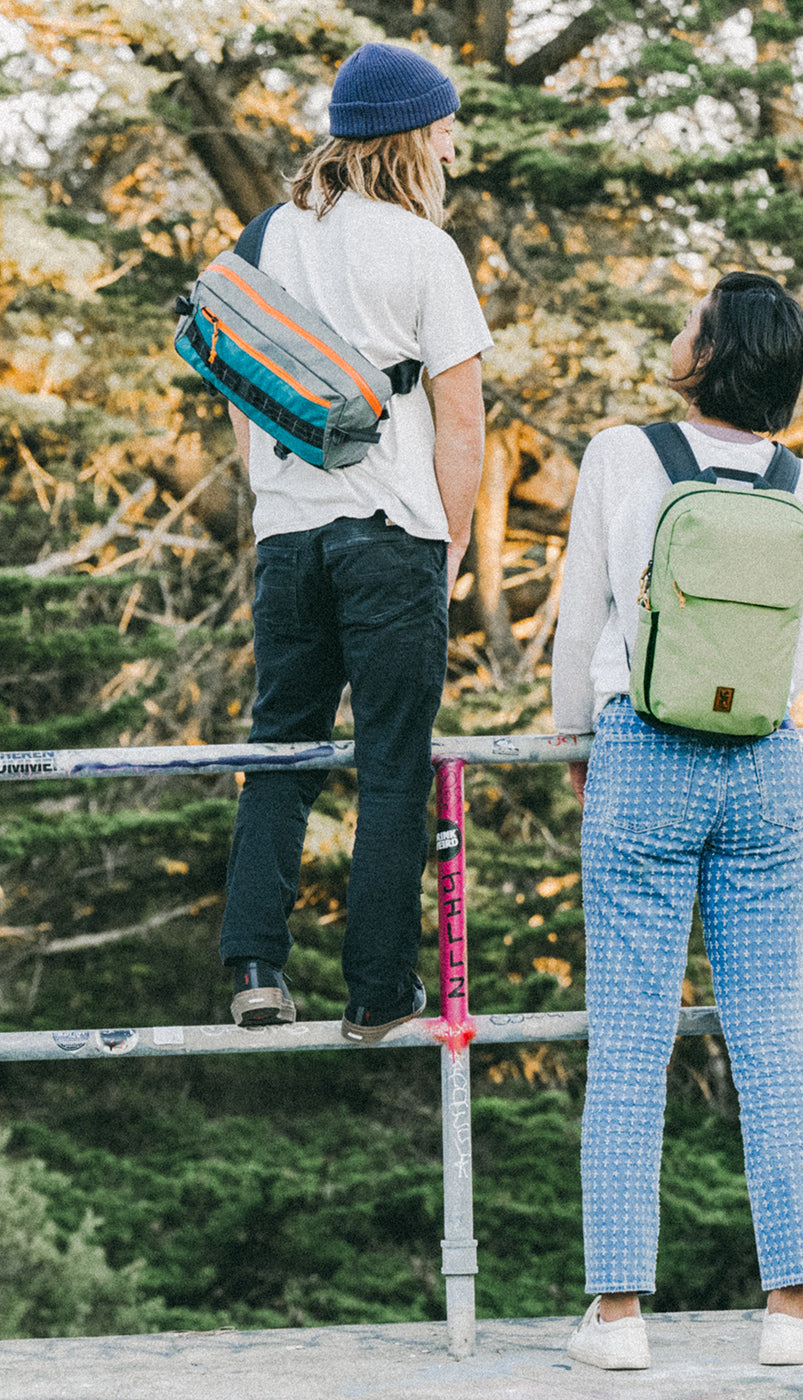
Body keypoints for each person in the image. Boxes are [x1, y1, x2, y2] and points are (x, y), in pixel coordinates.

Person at [551, 272, 803, 1370]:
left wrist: (581, 741)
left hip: (646, 748)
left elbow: (585, 620)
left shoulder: (625, 455)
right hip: (765, 760)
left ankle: (618, 1316)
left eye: (687, 323)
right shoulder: (802, 484)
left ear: (708, 354)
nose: (673, 335)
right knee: (771, 1030)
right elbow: (795, 643)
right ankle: (792, 1310)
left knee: (629, 1034)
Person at [219, 42, 491, 1043]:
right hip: (392, 535)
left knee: (280, 749)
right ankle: (377, 987)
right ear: (410, 137)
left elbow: (241, 393)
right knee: (390, 761)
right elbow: (460, 427)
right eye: (445, 125)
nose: (454, 141)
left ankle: (253, 962)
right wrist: (450, 546)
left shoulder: (259, 240)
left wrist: (274, 494)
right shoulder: (423, 251)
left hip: (288, 537)